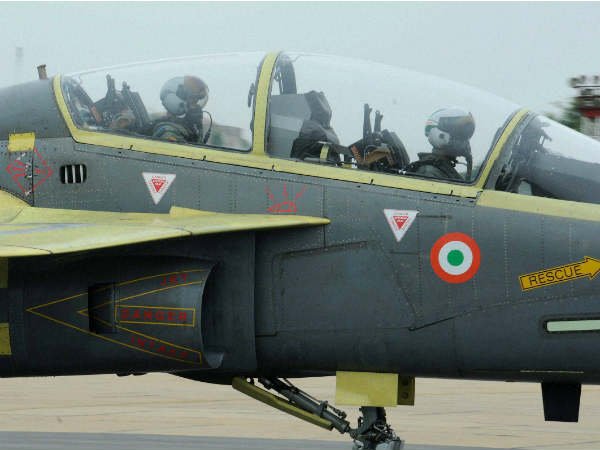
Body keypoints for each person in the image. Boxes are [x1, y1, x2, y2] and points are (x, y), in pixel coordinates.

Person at [406, 107, 475, 181]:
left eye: (464, 137)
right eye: (458, 135)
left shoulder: (444, 170)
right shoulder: (429, 173)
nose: (464, 142)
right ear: (439, 135)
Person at [152, 76, 209, 144]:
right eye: (193, 102)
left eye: (196, 102)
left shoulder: (186, 129)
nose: (196, 108)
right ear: (177, 102)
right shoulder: (168, 132)